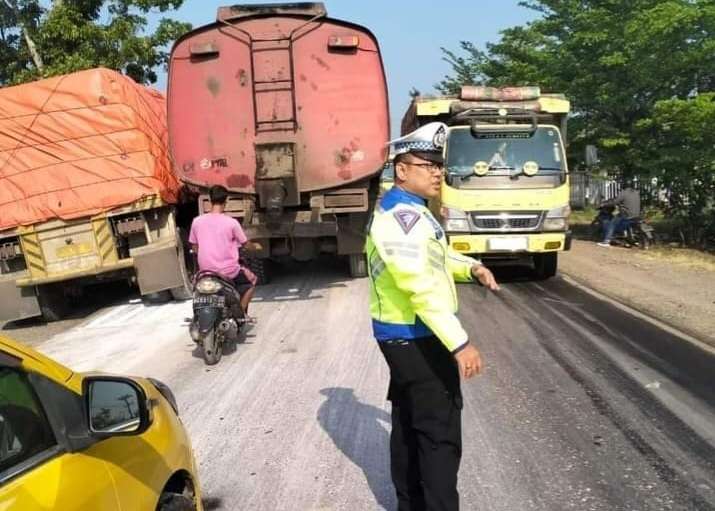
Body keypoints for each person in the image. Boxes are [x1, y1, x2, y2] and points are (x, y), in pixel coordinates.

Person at [366, 122, 500, 511]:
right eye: (427, 164)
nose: (437, 172)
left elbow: (434, 259)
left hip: (405, 336)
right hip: (416, 335)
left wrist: (470, 267)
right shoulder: (400, 219)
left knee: (409, 424)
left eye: (439, 165)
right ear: (402, 170)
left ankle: (411, 503)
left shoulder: (410, 212)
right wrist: (459, 343)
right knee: (439, 435)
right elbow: (419, 285)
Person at [189, 185, 259, 314]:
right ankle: (240, 314)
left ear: (210, 200)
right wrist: (255, 247)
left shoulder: (196, 221)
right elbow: (245, 244)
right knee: (252, 281)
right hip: (228, 272)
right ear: (225, 202)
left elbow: (194, 246)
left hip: (205, 271)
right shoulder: (231, 223)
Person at [597, 183, 641, 247]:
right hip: (636, 214)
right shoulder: (636, 193)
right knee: (623, 222)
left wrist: (604, 204)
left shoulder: (624, 193)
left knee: (612, 224)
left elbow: (615, 202)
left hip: (627, 214)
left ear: (624, 187)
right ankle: (625, 238)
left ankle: (606, 241)